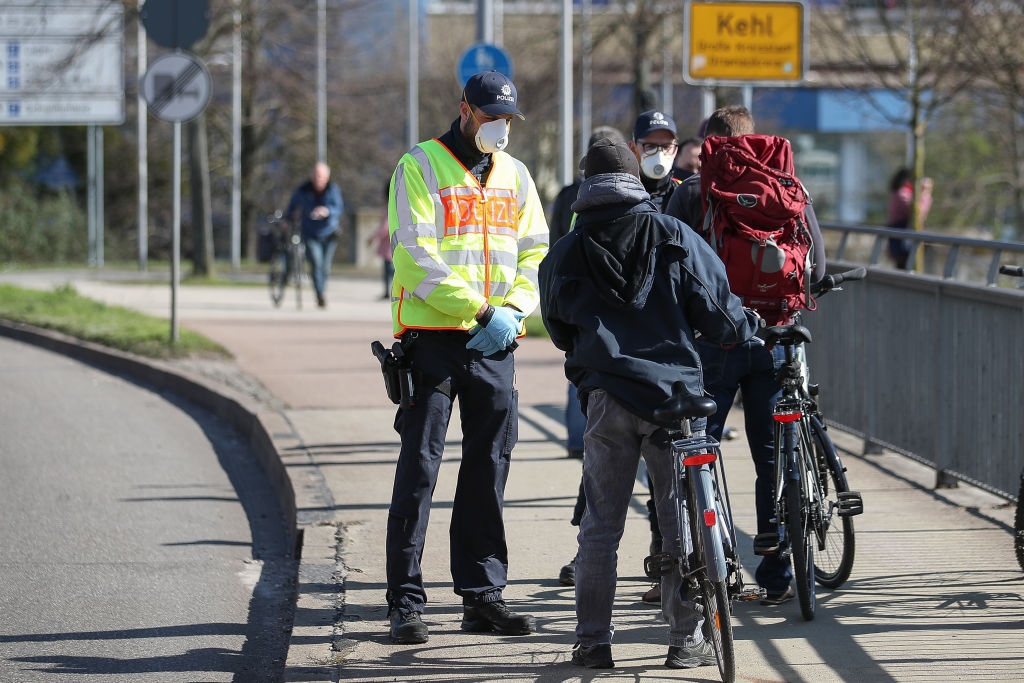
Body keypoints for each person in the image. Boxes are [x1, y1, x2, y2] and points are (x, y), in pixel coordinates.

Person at [539, 137, 761, 669]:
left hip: (607, 399)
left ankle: (593, 642)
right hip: (674, 401)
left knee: (600, 525)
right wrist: (744, 328)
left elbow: (556, 323)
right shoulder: (672, 233)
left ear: (587, 185)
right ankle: (685, 640)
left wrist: (592, 359)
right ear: (635, 178)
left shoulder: (568, 250)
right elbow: (720, 312)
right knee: (678, 517)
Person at [383, 69, 548, 645]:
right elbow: (414, 253)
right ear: (465, 111)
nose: (500, 128)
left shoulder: (516, 175)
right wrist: (480, 310)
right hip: (434, 340)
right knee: (420, 469)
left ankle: (482, 596)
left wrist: (515, 312)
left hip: (496, 343)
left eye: (507, 120)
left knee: (488, 469)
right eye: (490, 117)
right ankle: (405, 601)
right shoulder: (420, 166)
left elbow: (534, 252)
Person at [665, 105, 826, 606]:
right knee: (772, 455)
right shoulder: (787, 186)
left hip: (716, 342)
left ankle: (710, 566)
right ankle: (776, 572)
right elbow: (816, 267)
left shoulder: (693, 190)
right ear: (754, 140)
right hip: (775, 338)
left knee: (702, 453)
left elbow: (668, 267)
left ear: (709, 144)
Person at [549, 125, 626, 461]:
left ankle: (578, 438)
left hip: (576, 292)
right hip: (612, 293)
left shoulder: (569, 194)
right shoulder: (627, 193)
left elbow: (553, 242)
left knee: (579, 366)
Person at [284, 161, 344, 308]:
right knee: (316, 263)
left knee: (325, 267)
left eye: (321, 176)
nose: (318, 179)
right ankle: (320, 293)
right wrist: (288, 218)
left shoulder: (333, 190)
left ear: (327, 177)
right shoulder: (303, 190)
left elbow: (339, 208)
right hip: (310, 233)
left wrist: (327, 211)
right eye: (316, 175)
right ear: (311, 176)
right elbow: (292, 207)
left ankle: (321, 289)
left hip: (329, 233)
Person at [628, 110, 682, 212]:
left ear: (676, 150)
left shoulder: (684, 192)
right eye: (650, 146)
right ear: (632, 148)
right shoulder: (622, 195)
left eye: (666, 146)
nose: (659, 154)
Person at [887, 167, 933, 270]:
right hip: (904, 240)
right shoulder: (902, 195)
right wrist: (925, 194)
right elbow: (918, 214)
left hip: (902, 238)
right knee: (906, 269)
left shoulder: (899, 194)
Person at [367, 181, 394, 299]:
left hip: (389, 244)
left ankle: (388, 291)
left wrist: (373, 237)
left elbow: (385, 227)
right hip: (396, 242)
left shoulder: (390, 205)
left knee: (388, 271)